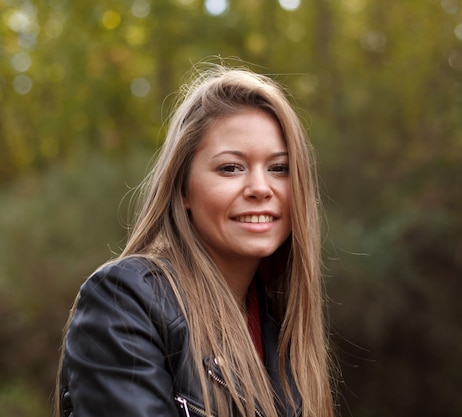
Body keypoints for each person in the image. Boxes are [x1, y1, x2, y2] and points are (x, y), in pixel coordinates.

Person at [56, 63, 336, 417]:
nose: (261, 189)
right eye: (231, 168)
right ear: (183, 187)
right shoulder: (125, 302)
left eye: (279, 168)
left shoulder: (281, 332)